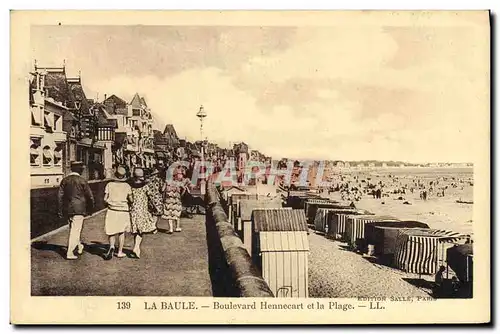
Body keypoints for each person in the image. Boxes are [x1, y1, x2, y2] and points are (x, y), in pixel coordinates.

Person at [58, 161, 94, 260]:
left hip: (68, 208)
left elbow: (60, 196)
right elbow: (90, 196)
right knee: (75, 230)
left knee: (73, 228)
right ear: (80, 170)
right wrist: (91, 208)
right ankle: (69, 252)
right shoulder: (82, 181)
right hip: (79, 209)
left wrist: (60, 210)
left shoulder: (64, 180)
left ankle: (79, 246)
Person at [103, 166, 132, 260]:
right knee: (121, 231)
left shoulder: (109, 184)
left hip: (112, 209)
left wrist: (109, 202)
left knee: (111, 231)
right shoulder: (127, 186)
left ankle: (111, 246)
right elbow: (131, 199)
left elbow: (105, 199)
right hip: (123, 210)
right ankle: (119, 251)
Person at [129, 167, 158, 259]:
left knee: (136, 230)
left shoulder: (130, 186)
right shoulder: (145, 186)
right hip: (142, 210)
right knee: (140, 231)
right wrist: (155, 207)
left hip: (133, 210)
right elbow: (151, 197)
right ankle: (136, 247)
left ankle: (136, 247)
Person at [162, 168, 185, 233]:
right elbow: (184, 189)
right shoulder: (179, 183)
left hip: (168, 200)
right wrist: (181, 194)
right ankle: (177, 227)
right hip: (177, 200)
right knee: (177, 214)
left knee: (169, 214)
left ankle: (171, 229)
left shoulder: (167, 181)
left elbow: (162, 190)